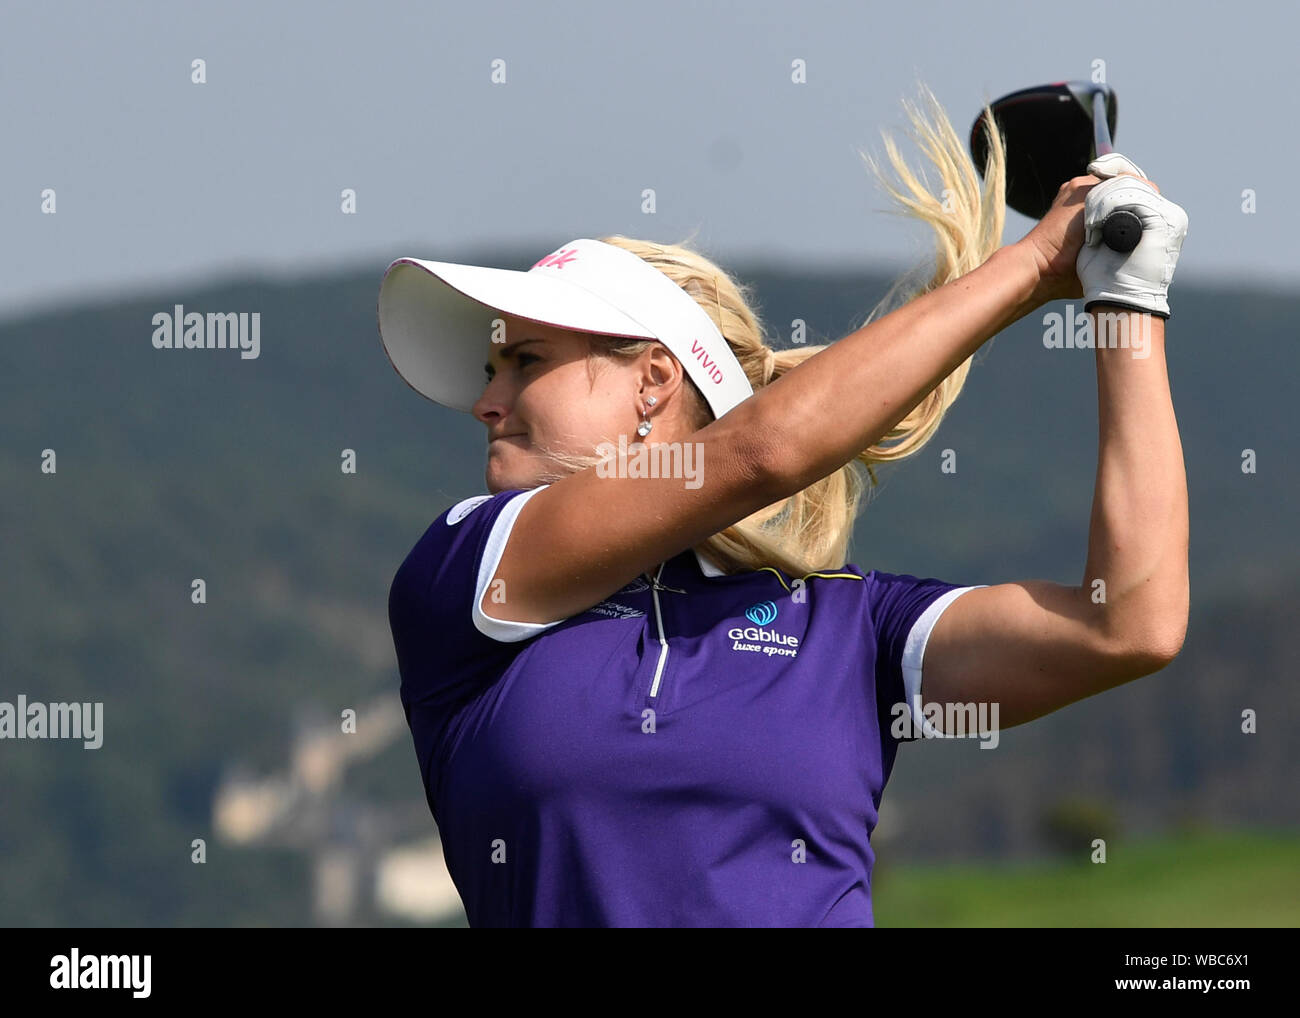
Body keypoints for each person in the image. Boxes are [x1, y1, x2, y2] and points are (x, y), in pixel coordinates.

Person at [378, 89, 1189, 927]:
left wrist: (1128, 301)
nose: (488, 402)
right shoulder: (469, 570)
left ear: (655, 381)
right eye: (489, 373)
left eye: (525, 361)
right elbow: (762, 454)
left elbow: (1128, 625)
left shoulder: (849, 628)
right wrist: (1028, 267)